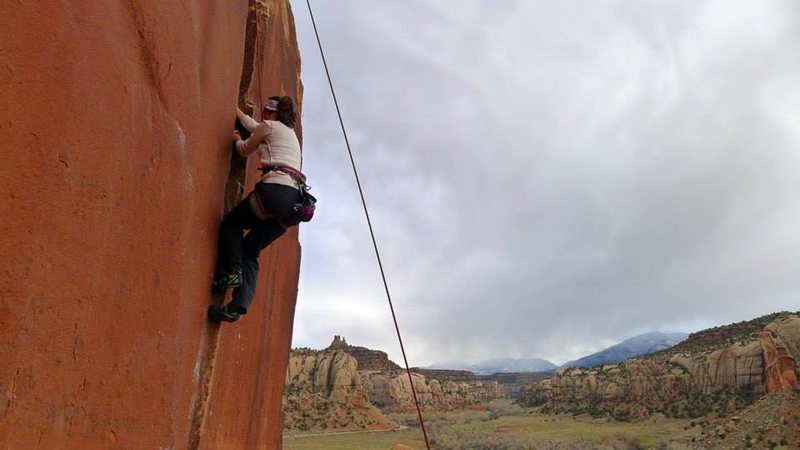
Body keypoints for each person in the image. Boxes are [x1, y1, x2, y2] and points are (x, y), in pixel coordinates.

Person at [208, 96, 304, 323]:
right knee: (250, 251)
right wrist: (238, 112)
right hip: (293, 207)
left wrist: (236, 138)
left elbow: (243, 149)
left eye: (267, 111)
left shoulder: (269, 126)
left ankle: (232, 272)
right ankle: (236, 307)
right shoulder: (288, 135)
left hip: (274, 194)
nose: (264, 114)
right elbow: (256, 126)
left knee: (232, 224)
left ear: (273, 113)